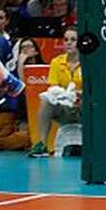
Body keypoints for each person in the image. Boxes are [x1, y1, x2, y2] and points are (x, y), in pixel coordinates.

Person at [30, 26, 82, 157]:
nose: (68, 43)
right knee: (45, 101)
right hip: (65, 107)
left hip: (85, 108)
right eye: (66, 40)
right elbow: (54, 89)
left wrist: (80, 95)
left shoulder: (89, 63)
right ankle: (42, 145)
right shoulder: (56, 62)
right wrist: (66, 96)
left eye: (73, 39)